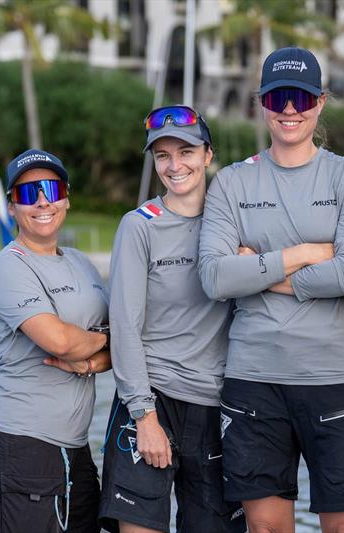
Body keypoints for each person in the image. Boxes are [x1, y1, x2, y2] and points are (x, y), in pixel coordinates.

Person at [198, 46, 344, 533]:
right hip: (254, 376)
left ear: (320, 102)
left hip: (337, 379)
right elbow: (215, 277)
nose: (289, 110)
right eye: (279, 97)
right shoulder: (232, 183)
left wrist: (257, 274)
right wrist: (303, 255)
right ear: (262, 102)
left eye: (300, 98)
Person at [98, 105, 246, 533]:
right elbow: (123, 325)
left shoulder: (234, 224)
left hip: (216, 406)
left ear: (207, 155)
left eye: (185, 151)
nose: (174, 165)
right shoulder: (139, 226)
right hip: (152, 398)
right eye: (162, 155)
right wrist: (144, 417)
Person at [0, 149, 111, 533]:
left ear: (66, 197)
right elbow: (59, 341)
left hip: (76, 447)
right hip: (22, 445)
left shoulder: (82, 264)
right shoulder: (7, 267)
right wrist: (94, 343)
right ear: (12, 206)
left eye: (50, 188)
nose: (41, 201)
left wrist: (89, 359)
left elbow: (121, 343)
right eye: (27, 193)